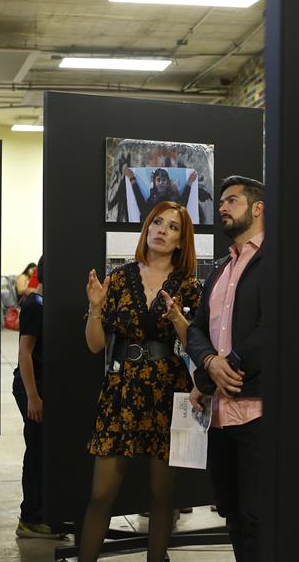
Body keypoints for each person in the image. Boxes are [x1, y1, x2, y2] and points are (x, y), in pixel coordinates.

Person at [79, 201, 201, 562]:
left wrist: (178, 316)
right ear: (146, 230)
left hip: (170, 391)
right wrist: (96, 307)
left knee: (163, 494)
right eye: (156, 223)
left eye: (172, 227)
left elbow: (193, 343)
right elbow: (95, 345)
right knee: (102, 494)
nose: (162, 230)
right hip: (122, 389)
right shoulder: (118, 279)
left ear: (181, 241)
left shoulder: (189, 286)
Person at [188, 175, 265, 562]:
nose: (222, 208)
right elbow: (197, 329)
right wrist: (209, 363)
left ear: (257, 208)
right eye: (220, 202)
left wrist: (229, 366)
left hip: (257, 412)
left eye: (231, 201)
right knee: (231, 513)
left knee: (258, 517)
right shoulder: (220, 269)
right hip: (219, 415)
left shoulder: (276, 261)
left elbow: (274, 327)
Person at [12, 256, 62, 539]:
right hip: (32, 388)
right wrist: (33, 396)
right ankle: (30, 518)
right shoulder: (34, 305)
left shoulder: (45, 304)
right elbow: (25, 352)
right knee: (36, 452)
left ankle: (42, 514)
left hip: (42, 387)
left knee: (43, 451)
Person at [125, 167, 198, 222]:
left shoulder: (173, 197)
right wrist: (132, 179)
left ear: (167, 182)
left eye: (163, 180)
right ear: (154, 182)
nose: (161, 182)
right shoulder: (152, 199)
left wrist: (189, 183)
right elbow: (141, 204)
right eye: (158, 180)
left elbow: (183, 204)